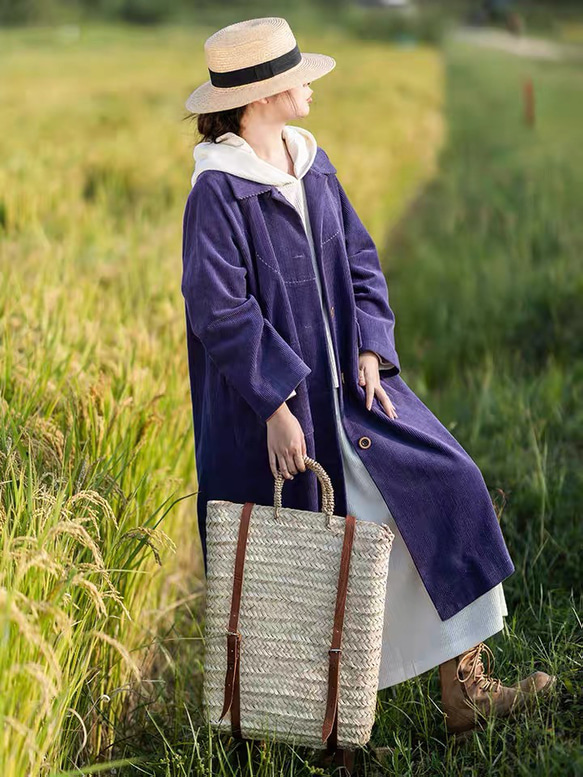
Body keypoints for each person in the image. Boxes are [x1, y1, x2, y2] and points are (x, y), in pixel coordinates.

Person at [181, 16, 555, 742]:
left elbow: (359, 259)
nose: (309, 83)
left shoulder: (310, 162)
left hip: (355, 393)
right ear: (259, 97)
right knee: (315, 558)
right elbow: (219, 311)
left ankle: (464, 688)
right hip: (284, 411)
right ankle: (319, 718)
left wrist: (371, 348)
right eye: (296, 76)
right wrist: (276, 404)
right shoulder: (218, 193)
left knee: (446, 482)